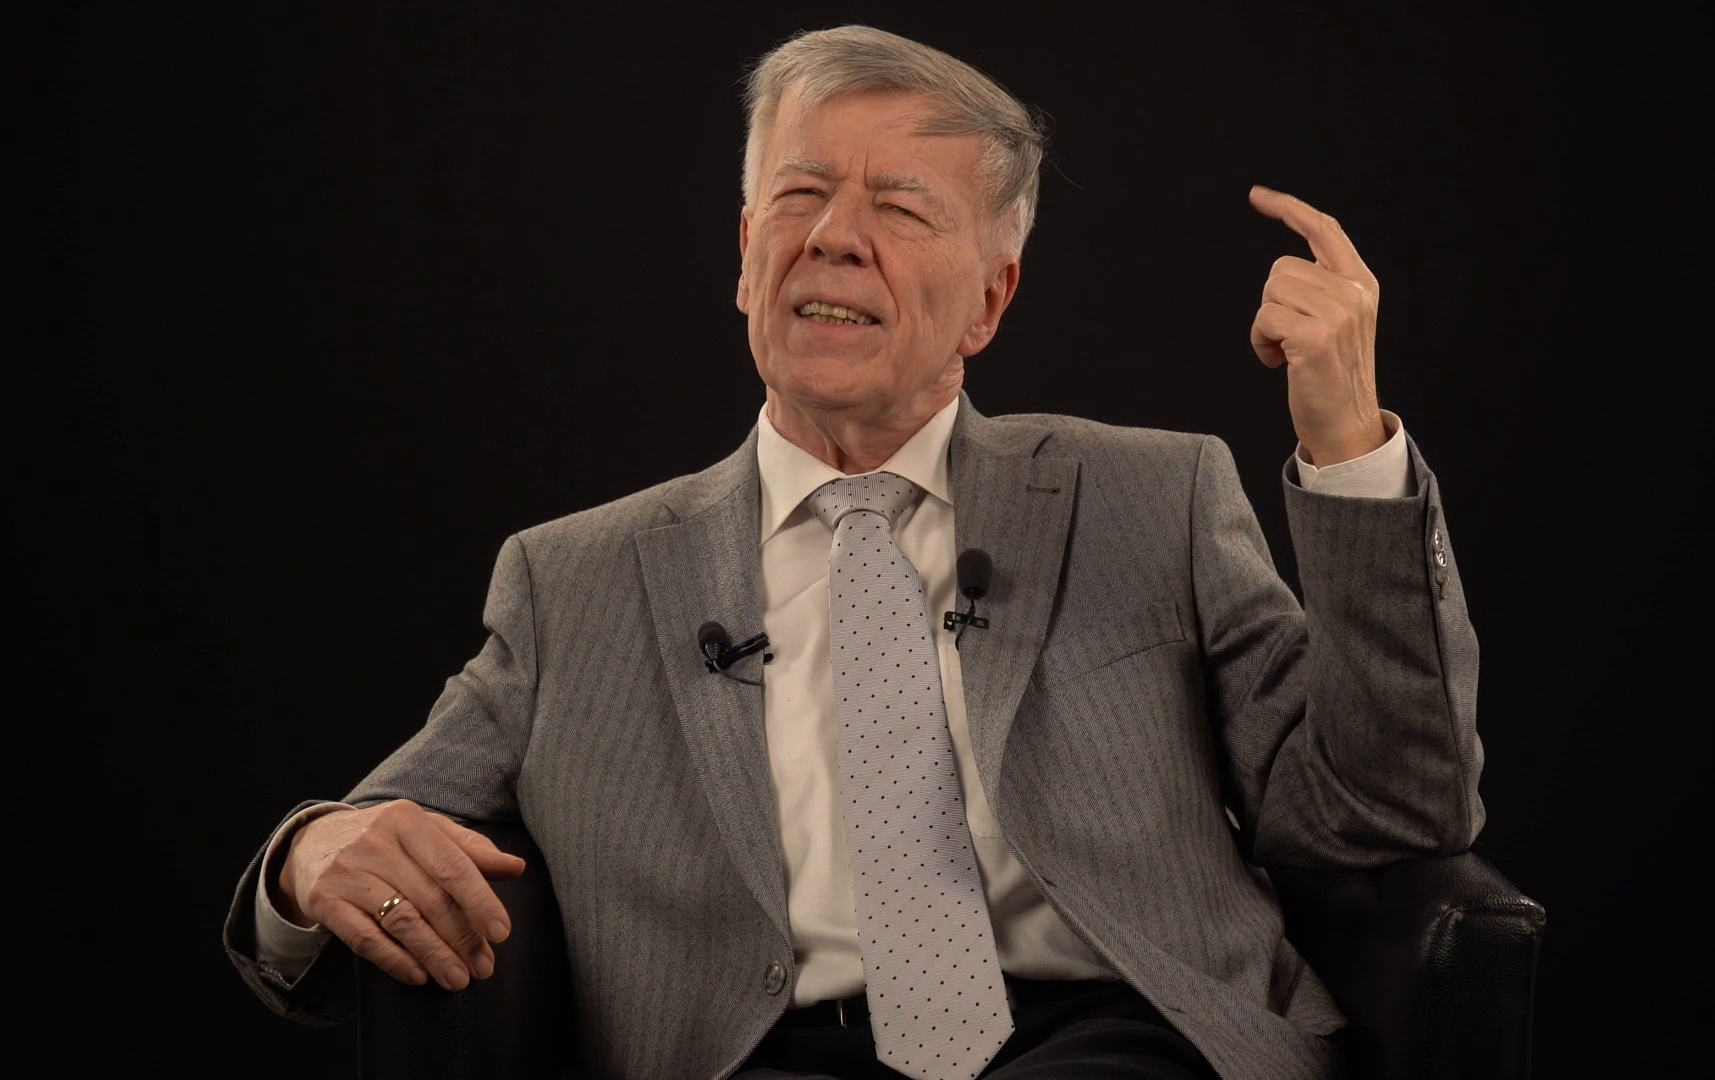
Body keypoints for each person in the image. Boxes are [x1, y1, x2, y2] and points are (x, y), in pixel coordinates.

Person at [225, 25, 1483, 1080]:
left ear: (989, 298)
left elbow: (1391, 804)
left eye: (899, 207)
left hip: (1117, 1037)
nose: (833, 235)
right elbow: (369, 849)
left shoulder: (1151, 497)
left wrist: (1348, 445)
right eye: (799, 195)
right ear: (745, 260)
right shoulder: (573, 583)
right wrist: (309, 852)